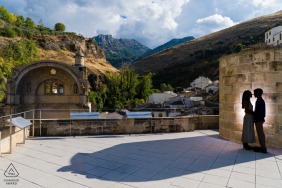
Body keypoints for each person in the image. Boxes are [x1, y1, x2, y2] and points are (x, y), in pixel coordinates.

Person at [253, 88, 267, 153]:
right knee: (260, 134)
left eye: (255, 93)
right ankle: (262, 147)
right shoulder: (260, 100)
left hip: (259, 119)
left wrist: (253, 113)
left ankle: (263, 148)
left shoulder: (259, 101)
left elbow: (259, 112)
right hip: (259, 119)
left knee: (260, 134)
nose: (254, 94)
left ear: (258, 93)